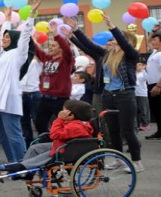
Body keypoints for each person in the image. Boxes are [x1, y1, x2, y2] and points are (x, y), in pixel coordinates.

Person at [70, 13, 144, 173]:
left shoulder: (131, 56)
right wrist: (75, 31)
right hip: (108, 95)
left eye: (113, 39)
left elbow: (124, 44)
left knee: (128, 130)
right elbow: (87, 46)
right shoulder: (106, 55)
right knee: (113, 130)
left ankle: (137, 162)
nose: (110, 41)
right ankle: (119, 159)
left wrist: (112, 26)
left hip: (125, 95)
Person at [0, 1, 39, 163]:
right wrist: (7, 18)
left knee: (13, 134)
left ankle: (23, 164)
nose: (4, 39)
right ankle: (13, 163)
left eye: (7, 37)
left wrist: (31, 14)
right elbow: (2, 36)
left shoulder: (19, 54)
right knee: (3, 135)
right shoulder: (1, 54)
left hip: (9, 98)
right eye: (3, 37)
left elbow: (25, 35)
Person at [0, 100, 93, 176]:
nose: (60, 113)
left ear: (71, 116)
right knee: (35, 148)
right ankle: (26, 169)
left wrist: (59, 120)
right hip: (65, 145)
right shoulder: (74, 123)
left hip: (66, 150)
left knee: (44, 156)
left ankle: (22, 167)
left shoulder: (75, 127)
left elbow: (55, 135)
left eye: (63, 111)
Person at [33, 15, 74, 136]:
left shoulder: (66, 60)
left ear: (60, 48)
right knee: (39, 124)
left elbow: (67, 49)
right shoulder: (48, 59)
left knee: (66, 123)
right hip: (45, 98)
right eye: (50, 45)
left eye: (53, 45)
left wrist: (56, 34)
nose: (50, 47)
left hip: (60, 99)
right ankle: (49, 142)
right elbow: (37, 50)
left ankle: (68, 143)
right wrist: (32, 39)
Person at [20, 56, 42, 148]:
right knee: (24, 121)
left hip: (34, 93)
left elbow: (39, 55)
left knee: (37, 120)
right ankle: (28, 144)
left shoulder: (35, 62)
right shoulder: (18, 62)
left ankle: (42, 142)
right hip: (21, 94)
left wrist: (32, 42)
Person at [135, 63, 151, 131]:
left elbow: (147, 78)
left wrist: (144, 70)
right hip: (134, 94)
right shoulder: (133, 73)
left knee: (143, 109)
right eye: (138, 65)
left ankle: (145, 124)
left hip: (142, 94)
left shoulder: (143, 73)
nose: (139, 66)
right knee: (136, 110)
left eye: (140, 65)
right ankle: (137, 124)